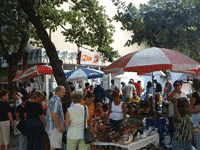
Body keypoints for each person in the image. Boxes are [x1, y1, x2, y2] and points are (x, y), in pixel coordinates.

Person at [46, 86, 65, 150]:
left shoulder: (53, 99)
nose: (64, 94)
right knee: (54, 147)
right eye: (63, 92)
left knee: (53, 146)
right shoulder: (56, 100)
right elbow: (53, 114)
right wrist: (59, 126)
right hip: (54, 127)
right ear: (58, 92)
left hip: (52, 127)